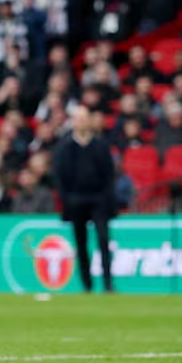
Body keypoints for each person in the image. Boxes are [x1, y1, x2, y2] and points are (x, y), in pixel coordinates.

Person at [51, 102, 116, 293]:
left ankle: (108, 283)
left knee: (103, 240)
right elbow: (59, 177)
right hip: (76, 201)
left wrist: (106, 198)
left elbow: (109, 174)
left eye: (85, 118)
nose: (82, 122)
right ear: (73, 122)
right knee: (81, 244)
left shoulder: (100, 146)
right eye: (78, 119)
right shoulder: (64, 147)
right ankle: (86, 285)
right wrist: (67, 199)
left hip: (98, 201)